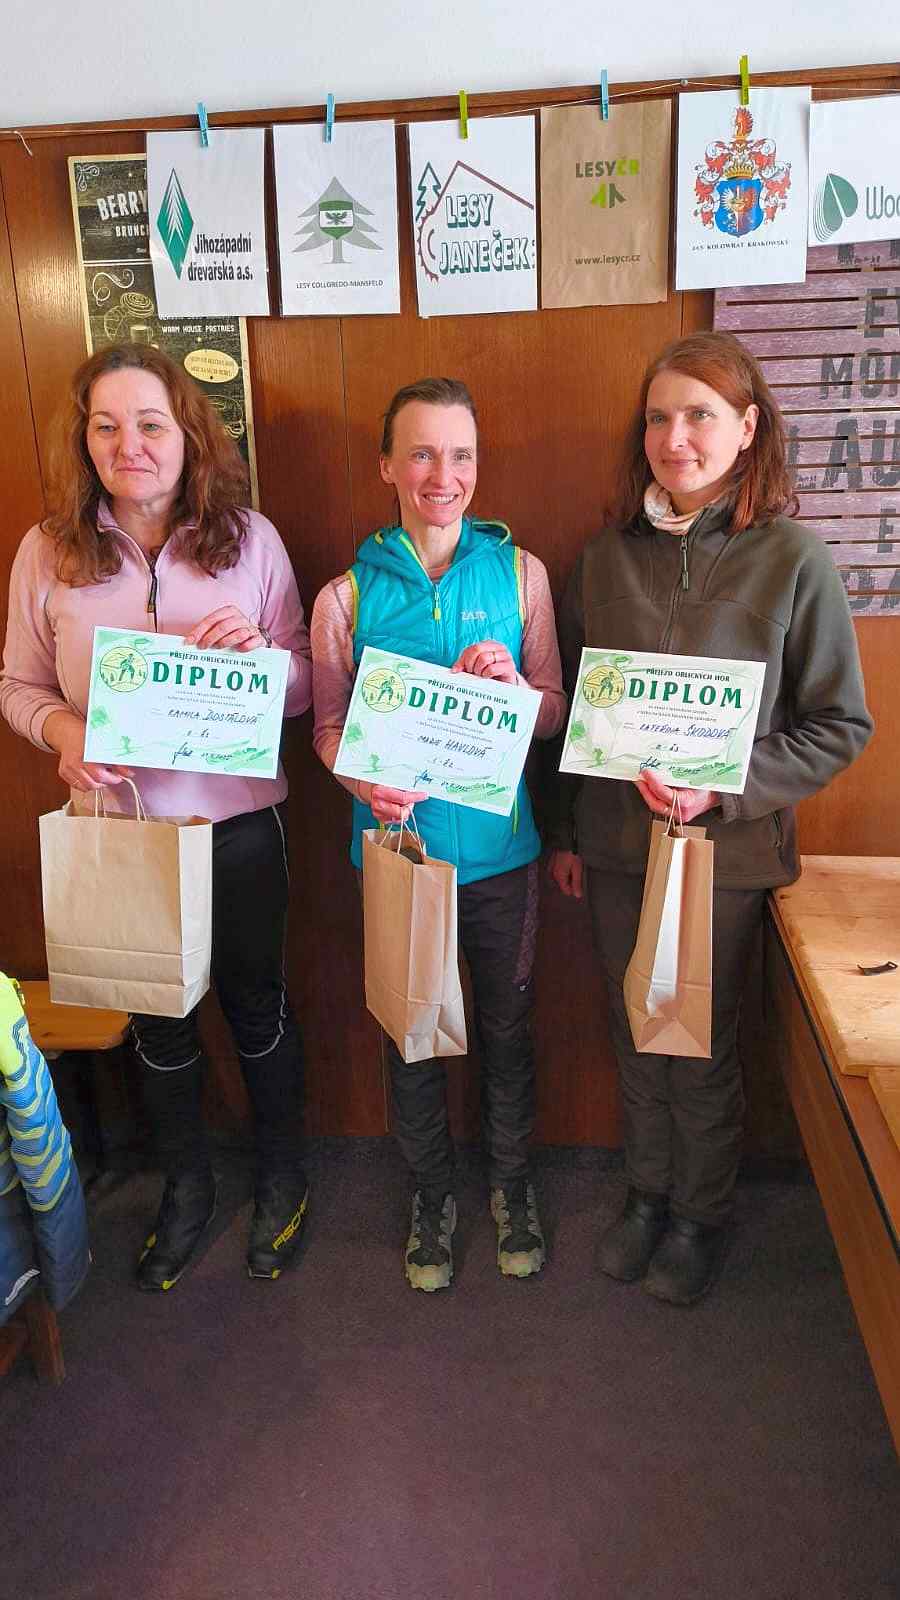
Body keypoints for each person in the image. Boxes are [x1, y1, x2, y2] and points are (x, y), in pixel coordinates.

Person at [548, 331, 873, 1305]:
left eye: (700, 414)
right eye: (658, 417)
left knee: (700, 1044)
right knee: (634, 1033)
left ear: (747, 427)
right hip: (616, 847)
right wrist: (567, 832)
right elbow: (577, 712)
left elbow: (840, 726)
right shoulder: (603, 557)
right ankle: (647, 1193)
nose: (675, 437)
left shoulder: (794, 559)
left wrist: (725, 788)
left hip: (725, 858)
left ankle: (700, 1212)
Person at [0, 344, 312, 1290]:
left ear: (189, 435)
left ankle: (284, 1178)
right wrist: (61, 731)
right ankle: (187, 1188)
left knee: (257, 1007)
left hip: (237, 829)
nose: (127, 444)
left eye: (149, 424)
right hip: (121, 831)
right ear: (84, 440)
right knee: (157, 1024)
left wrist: (261, 659)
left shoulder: (250, 539)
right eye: (106, 426)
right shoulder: (48, 549)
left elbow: (306, 686)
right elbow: (16, 684)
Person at [312, 378, 566, 1291]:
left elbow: (554, 713)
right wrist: (362, 782)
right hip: (400, 858)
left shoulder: (522, 574)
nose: (441, 475)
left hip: (501, 855)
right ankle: (430, 1195)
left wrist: (515, 693)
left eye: (460, 455)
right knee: (411, 1031)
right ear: (387, 465)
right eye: (420, 452)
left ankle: (512, 1186)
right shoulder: (344, 596)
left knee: (507, 1027)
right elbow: (328, 730)